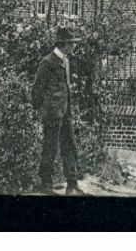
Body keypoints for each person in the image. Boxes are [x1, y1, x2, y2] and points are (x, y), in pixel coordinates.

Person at [31, 24, 83, 195]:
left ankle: (72, 184)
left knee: (70, 146)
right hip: (52, 114)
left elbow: (65, 88)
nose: (74, 46)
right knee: (50, 147)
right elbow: (37, 90)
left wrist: (69, 110)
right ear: (64, 44)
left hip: (65, 112)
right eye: (72, 43)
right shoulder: (47, 62)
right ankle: (46, 184)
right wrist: (40, 111)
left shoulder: (65, 61)